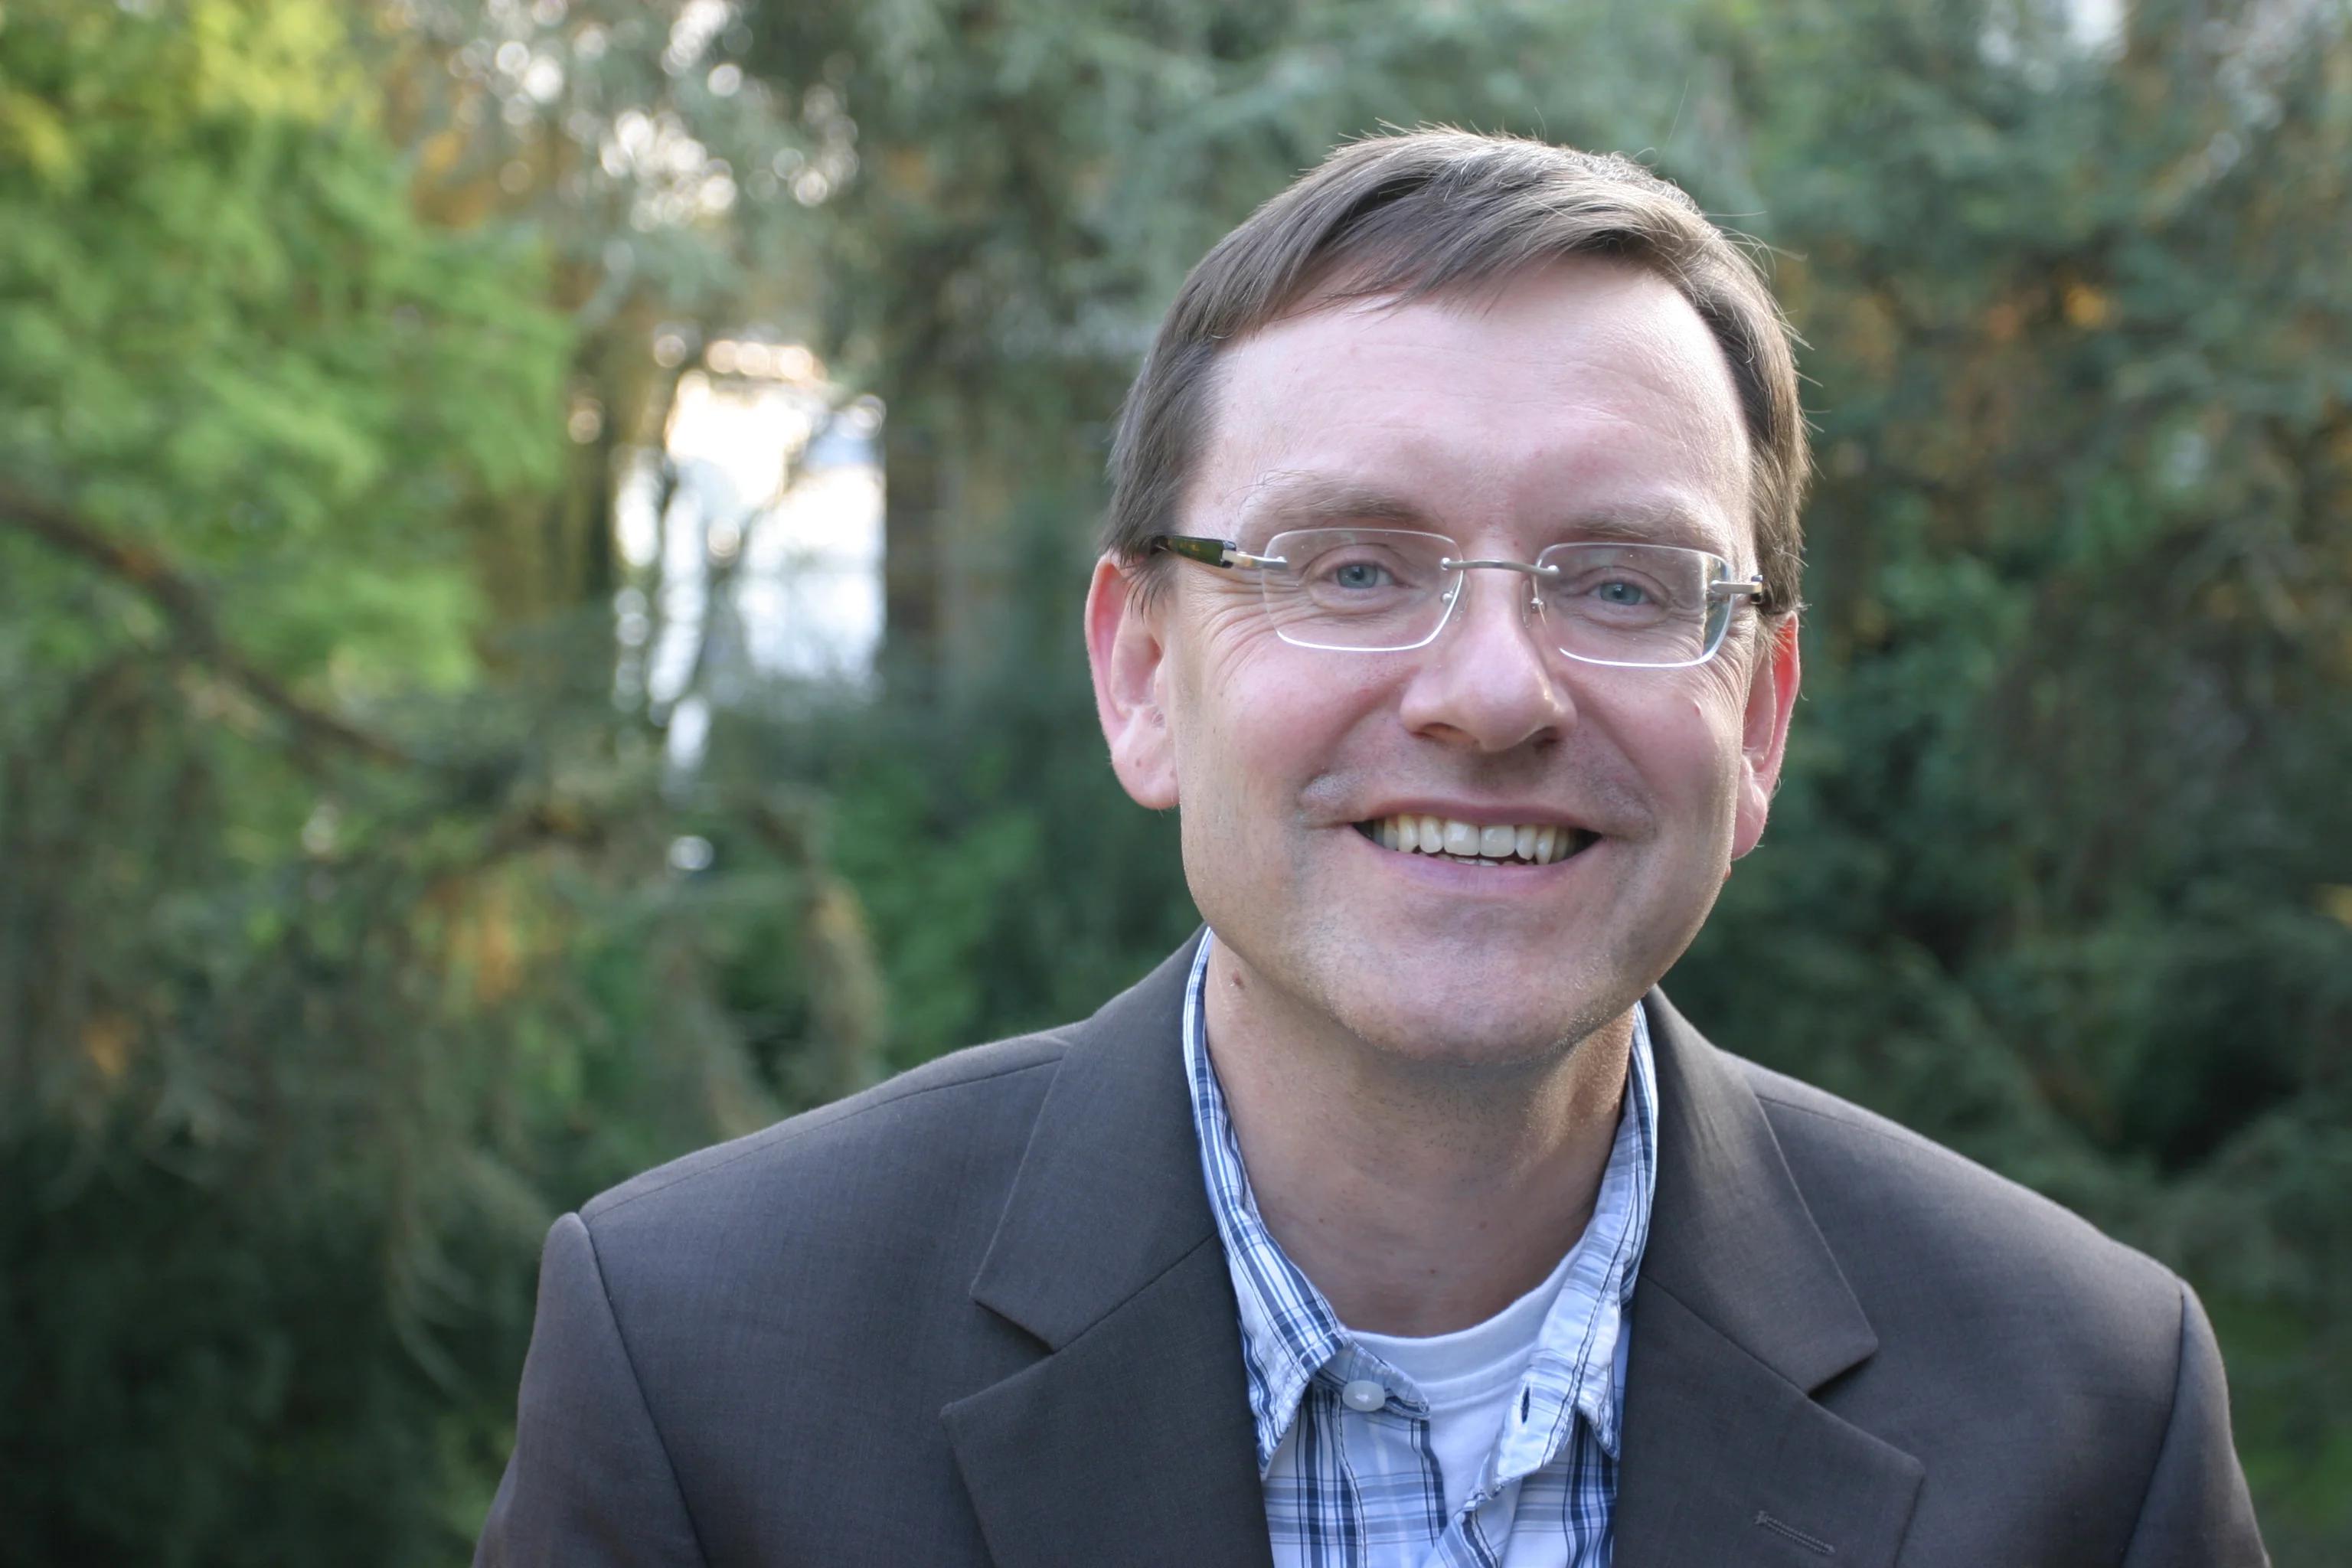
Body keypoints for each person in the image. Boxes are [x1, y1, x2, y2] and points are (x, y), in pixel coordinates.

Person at [475, 131, 2266, 1567]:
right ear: (1142, 674)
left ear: (1761, 719)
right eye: (1349, 568)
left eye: (1623, 585)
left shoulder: (2091, 1419)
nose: (1492, 693)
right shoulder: (703, 1373)